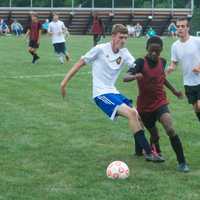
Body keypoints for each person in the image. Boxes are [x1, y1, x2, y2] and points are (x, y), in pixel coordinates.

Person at [60, 24, 160, 162]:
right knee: (131, 113)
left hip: (114, 92)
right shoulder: (100, 49)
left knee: (138, 115)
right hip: (101, 94)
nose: (123, 40)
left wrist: (151, 66)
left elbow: (136, 66)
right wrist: (63, 83)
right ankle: (149, 152)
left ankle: (139, 151)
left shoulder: (124, 52)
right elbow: (79, 63)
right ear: (113, 36)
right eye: (121, 37)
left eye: (126, 37)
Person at [123, 36, 189, 172]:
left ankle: (182, 162)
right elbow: (125, 77)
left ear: (161, 51)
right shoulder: (140, 62)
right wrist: (135, 76)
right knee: (154, 135)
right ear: (147, 49)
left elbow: (162, 78)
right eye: (152, 51)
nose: (154, 54)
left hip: (160, 101)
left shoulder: (162, 62)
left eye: (157, 52)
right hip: (144, 106)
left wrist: (175, 91)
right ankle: (150, 151)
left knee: (170, 128)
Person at [166, 17, 200, 122]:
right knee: (196, 109)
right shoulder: (175, 46)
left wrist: (199, 67)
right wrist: (170, 68)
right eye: (178, 26)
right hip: (188, 82)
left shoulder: (197, 41)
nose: (180, 28)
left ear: (188, 28)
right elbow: (174, 62)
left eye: (183, 26)